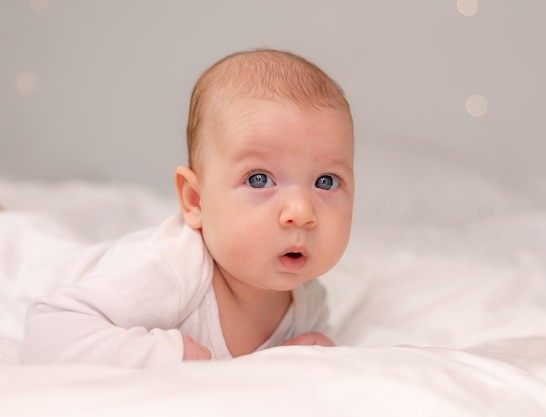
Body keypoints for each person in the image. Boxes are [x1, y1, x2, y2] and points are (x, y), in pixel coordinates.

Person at [20, 49, 355, 367]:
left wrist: (319, 351)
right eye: (258, 179)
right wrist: (165, 358)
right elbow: (48, 334)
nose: (301, 212)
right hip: (25, 268)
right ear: (195, 201)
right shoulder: (171, 268)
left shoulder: (308, 301)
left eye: (326, 181)